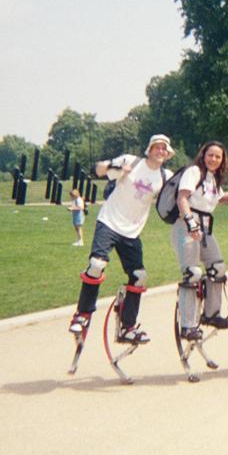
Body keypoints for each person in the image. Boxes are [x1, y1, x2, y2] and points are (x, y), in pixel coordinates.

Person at [68, 134, 175, 344]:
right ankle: (83, 314)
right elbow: (98, 170)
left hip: (132, 232)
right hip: (109, 221)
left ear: (168, 153)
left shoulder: (165, 176)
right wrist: (111, 167)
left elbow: (181, 193)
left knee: (139, 276)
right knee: (96, 264)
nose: (160, 151)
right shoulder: (131, 161)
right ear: (149, 149)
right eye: (157, 147)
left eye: (164, 148)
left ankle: (128, 326)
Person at [173, 141, 228, 341]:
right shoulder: (194, 172)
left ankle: (211, 314)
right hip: (187, 225)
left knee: (218, 268)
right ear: (203, 155)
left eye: (218, 156)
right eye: (211, 155)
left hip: (206, 228)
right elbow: (182, 198)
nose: (214, 159)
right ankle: (188, 325)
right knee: (193, 273)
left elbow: (221, 199)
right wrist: (191, 223)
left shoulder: (213, 179)